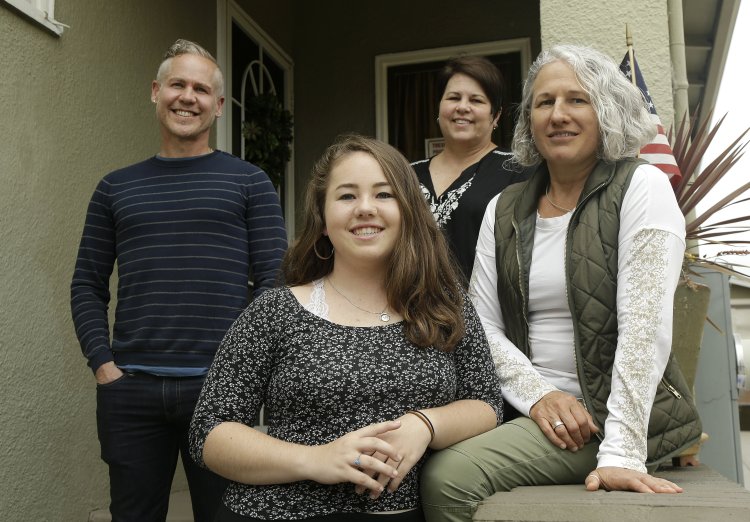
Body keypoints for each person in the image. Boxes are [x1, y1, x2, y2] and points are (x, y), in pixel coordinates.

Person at [420, 44, 702, 520]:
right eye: (544, 102)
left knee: (446, 477)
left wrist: (621, 451)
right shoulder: (504, 208)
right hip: (531, 407)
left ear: (606, 110)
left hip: (603, 419)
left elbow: (644, 328)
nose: (558, 115)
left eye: (577, 99)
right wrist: (539, 396)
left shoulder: (641, 187)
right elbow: (482, 325)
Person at [188, 134, 503, 521]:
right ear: (321, 219)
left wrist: (426, 424)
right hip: (278, 512)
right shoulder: (275, 311)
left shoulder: (443, 304)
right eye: (347, 196)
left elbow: (487, 402)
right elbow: (208, 432)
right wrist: (314, 459)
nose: (365, 209)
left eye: (384, 194)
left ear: (407, 210)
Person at [70, 39, 287, 522]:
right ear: (155, 91)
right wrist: (104, 367)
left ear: (219, 105)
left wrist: (243, 372)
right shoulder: (115, 187)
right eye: (177, 84)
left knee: (227, 515)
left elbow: (276, 285)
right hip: (131, 391)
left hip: (220, 391)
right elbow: (87, 282)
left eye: (201, 89)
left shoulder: (250, 182)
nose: (188, 97)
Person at [412, 55, 529, 283]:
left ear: (495, 116)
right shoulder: (406, 175)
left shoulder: (519, 171)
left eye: (476, 100)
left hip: (485, 313)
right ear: (439, 107)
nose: (462, 107)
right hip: (411, 311)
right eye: (454, 97)